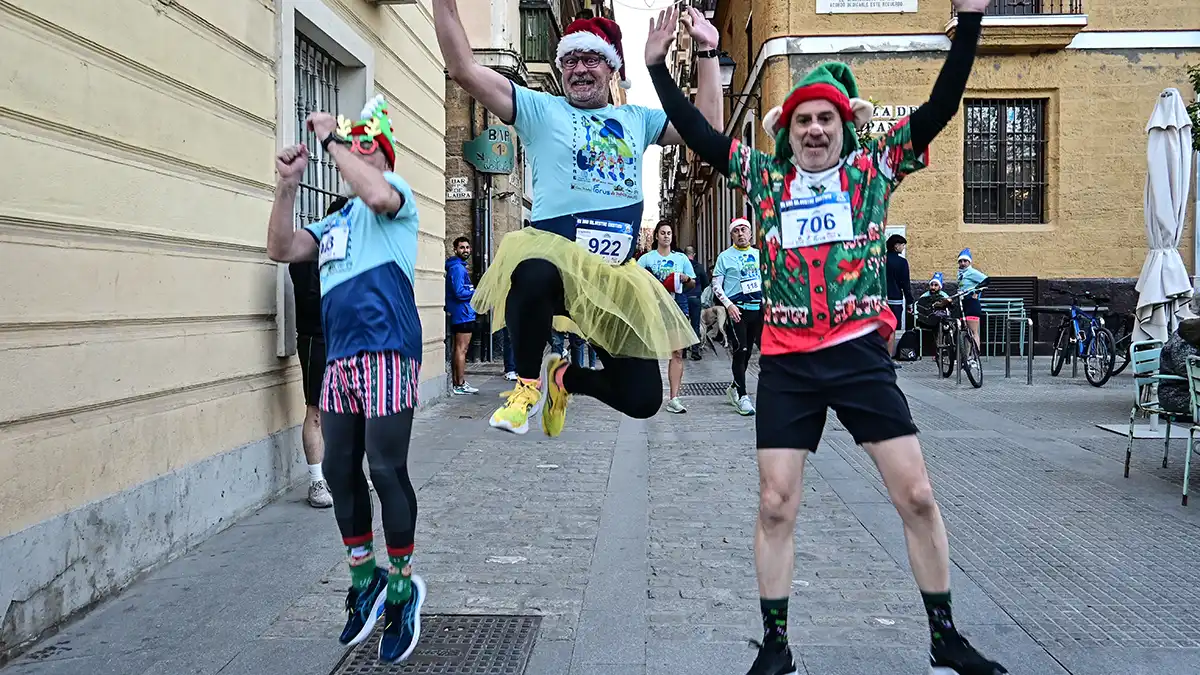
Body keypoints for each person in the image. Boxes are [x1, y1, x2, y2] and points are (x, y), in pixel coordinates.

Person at [645, 2, 1007, 673]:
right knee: (776, 503)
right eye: (805, 119)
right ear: (792, 131)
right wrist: (658, 68)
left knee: (918, 495)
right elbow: (700, 134)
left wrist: (970, 24)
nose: (814, 128)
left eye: (826, 117)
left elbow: (940, 106)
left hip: (859, 353)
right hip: (787, 360)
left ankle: (945, 636)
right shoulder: (767, 179)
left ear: (843, 125)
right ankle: (776, 647)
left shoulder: (873, 171)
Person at [433, 2, 721, 436]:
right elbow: (463, 68)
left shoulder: (636, 119)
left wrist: (707, 53)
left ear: (612, 69)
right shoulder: (539, 109)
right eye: (570, 60)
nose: (579, 69)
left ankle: (563, 379)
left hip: (613, 278)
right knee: (530, 272)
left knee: (643, 399)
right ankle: (527, 387)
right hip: (557, 265)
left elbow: (710, 130)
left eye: (591, 59)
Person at [265, 96, 426, 664]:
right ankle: (366, 582)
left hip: (388, 352)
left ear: (384, 155)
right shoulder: (331, 223)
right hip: (340, 359)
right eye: (348, 146)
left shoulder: (396, 198)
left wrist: (334, 141)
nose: (352, 154)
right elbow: (281, 248)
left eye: (365, 147)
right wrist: (288, 184)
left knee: (385, 467)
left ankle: (404, 591)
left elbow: (376, 192)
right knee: (337, 469)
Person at [288, 196, 346, 510]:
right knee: (317, 411)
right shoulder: (307, 253)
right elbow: (315, 302)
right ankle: (316, 482)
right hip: (318, 338)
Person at [638, 222, 696, 413]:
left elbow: (692, 283)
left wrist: (686, 280)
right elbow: (635, 282)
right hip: (653, 307)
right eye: (662, 233)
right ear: (656, 236)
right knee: (649, 353)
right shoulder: (646, 259)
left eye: (669, 233)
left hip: (677, 305)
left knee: (677, 353)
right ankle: (647, 394)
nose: (666, 236)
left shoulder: (680, 258)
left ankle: (674, 398)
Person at [712, 217, 762, 416]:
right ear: (731, 235)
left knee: (749, 352)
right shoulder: (725, 257)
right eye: (736, 231)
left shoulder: (759, 255)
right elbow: (716, 285)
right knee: (740, 350)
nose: (741, 234)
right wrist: (729, 305)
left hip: (756, 309)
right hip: (737, 309)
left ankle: (734, 385)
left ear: (750, 233)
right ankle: (742, 396)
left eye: (744, 230)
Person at [446, 236, 479, 395]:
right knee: (461, 349)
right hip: (463, 313)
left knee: (459, 349)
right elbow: (459, 292)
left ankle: (458, 382)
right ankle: (459, 384)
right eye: (461, 247)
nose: (465, 250)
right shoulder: (458, 268)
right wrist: (474, 292)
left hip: (462, 313)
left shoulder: (457, 267)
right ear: (455, 249)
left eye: (467, 247)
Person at [1158, 318, 1200, 416]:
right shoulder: (1183, 345)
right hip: (1175, 395)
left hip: (1190, 391)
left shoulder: (1191, 334)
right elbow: (1190, 371)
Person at [886, 234, 914, 359]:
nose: (903, 248)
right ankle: (889, 357)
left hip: (880, 299)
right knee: (891, 329)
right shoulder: (902, 262)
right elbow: (905, 283)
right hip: (895, 299)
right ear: (896, 246)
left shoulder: (880, 260)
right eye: (902, 245)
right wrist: (909, 302)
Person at [956, 248, 988, 351]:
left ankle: (975, 357)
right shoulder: (960, 273)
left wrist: (977, 292)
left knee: (973, 332)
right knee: (964, 333)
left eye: (965, 261)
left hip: (972, 303)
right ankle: (965, 356)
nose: (963, 263)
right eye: (960, 261)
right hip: (962, 303)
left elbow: (986, 280)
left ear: (969, 262)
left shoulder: (972, 272)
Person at [685, 245, 708, 360]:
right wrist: (699, 291)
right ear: (693, 254)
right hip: (695, 298)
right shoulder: (698, 266)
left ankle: (683, 351)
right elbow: (705, 282)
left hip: (683, 298)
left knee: (683, 324)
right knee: (695, 324)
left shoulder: (682, 265)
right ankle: (695, 351)